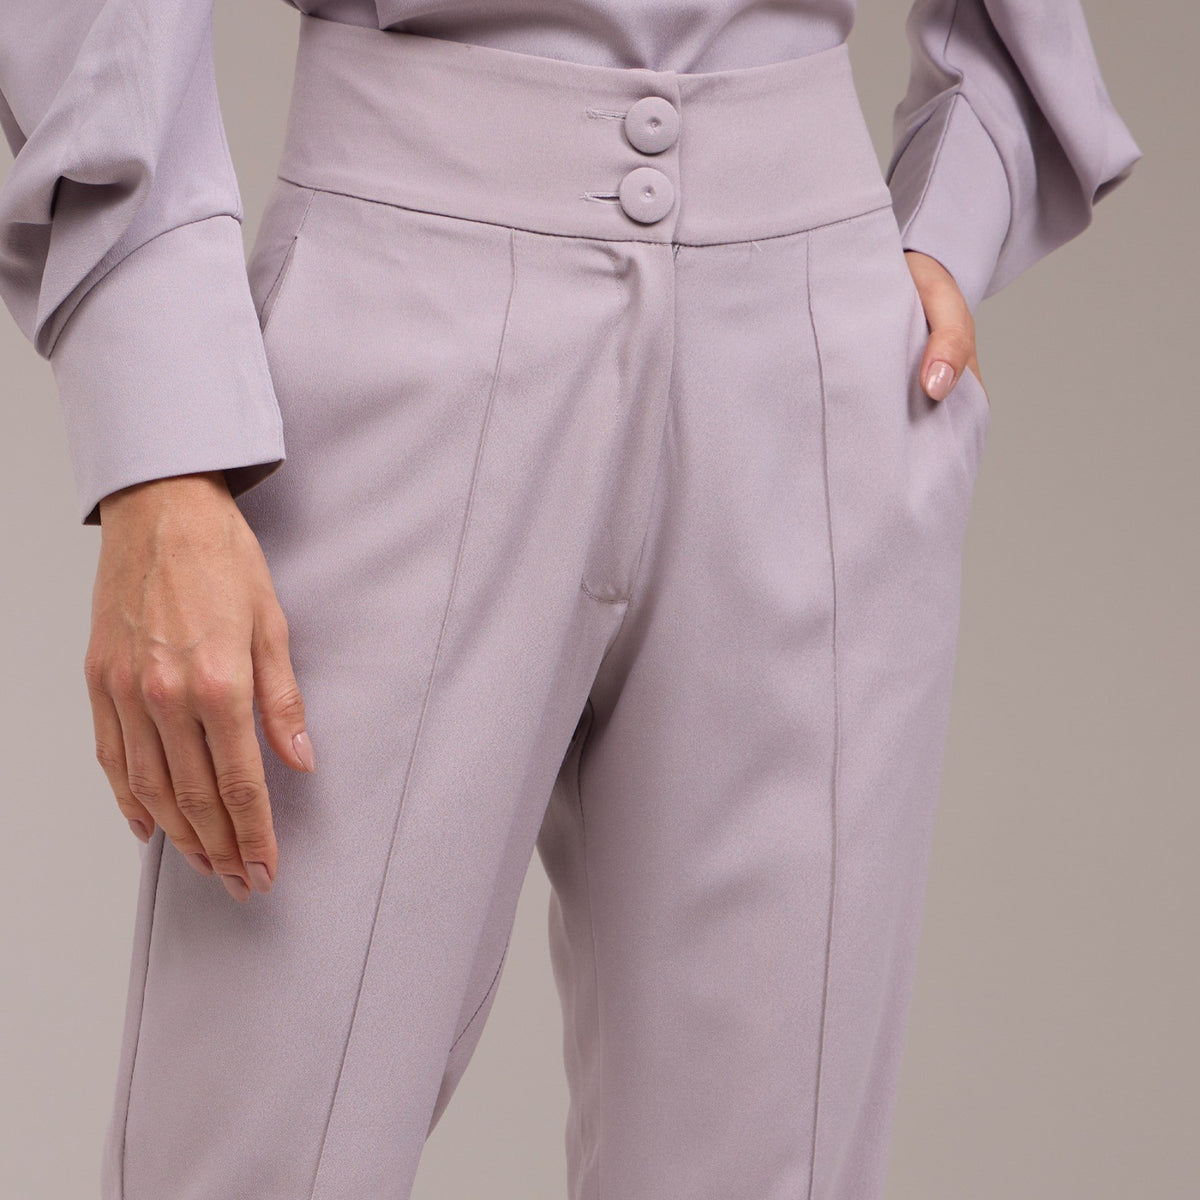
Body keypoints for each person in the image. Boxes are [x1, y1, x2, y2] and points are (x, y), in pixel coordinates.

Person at [0, 2, 1140, 1198]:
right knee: (257, 1153)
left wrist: (959, 195)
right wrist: (162, 446)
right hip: (398, 316)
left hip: (814, 352)